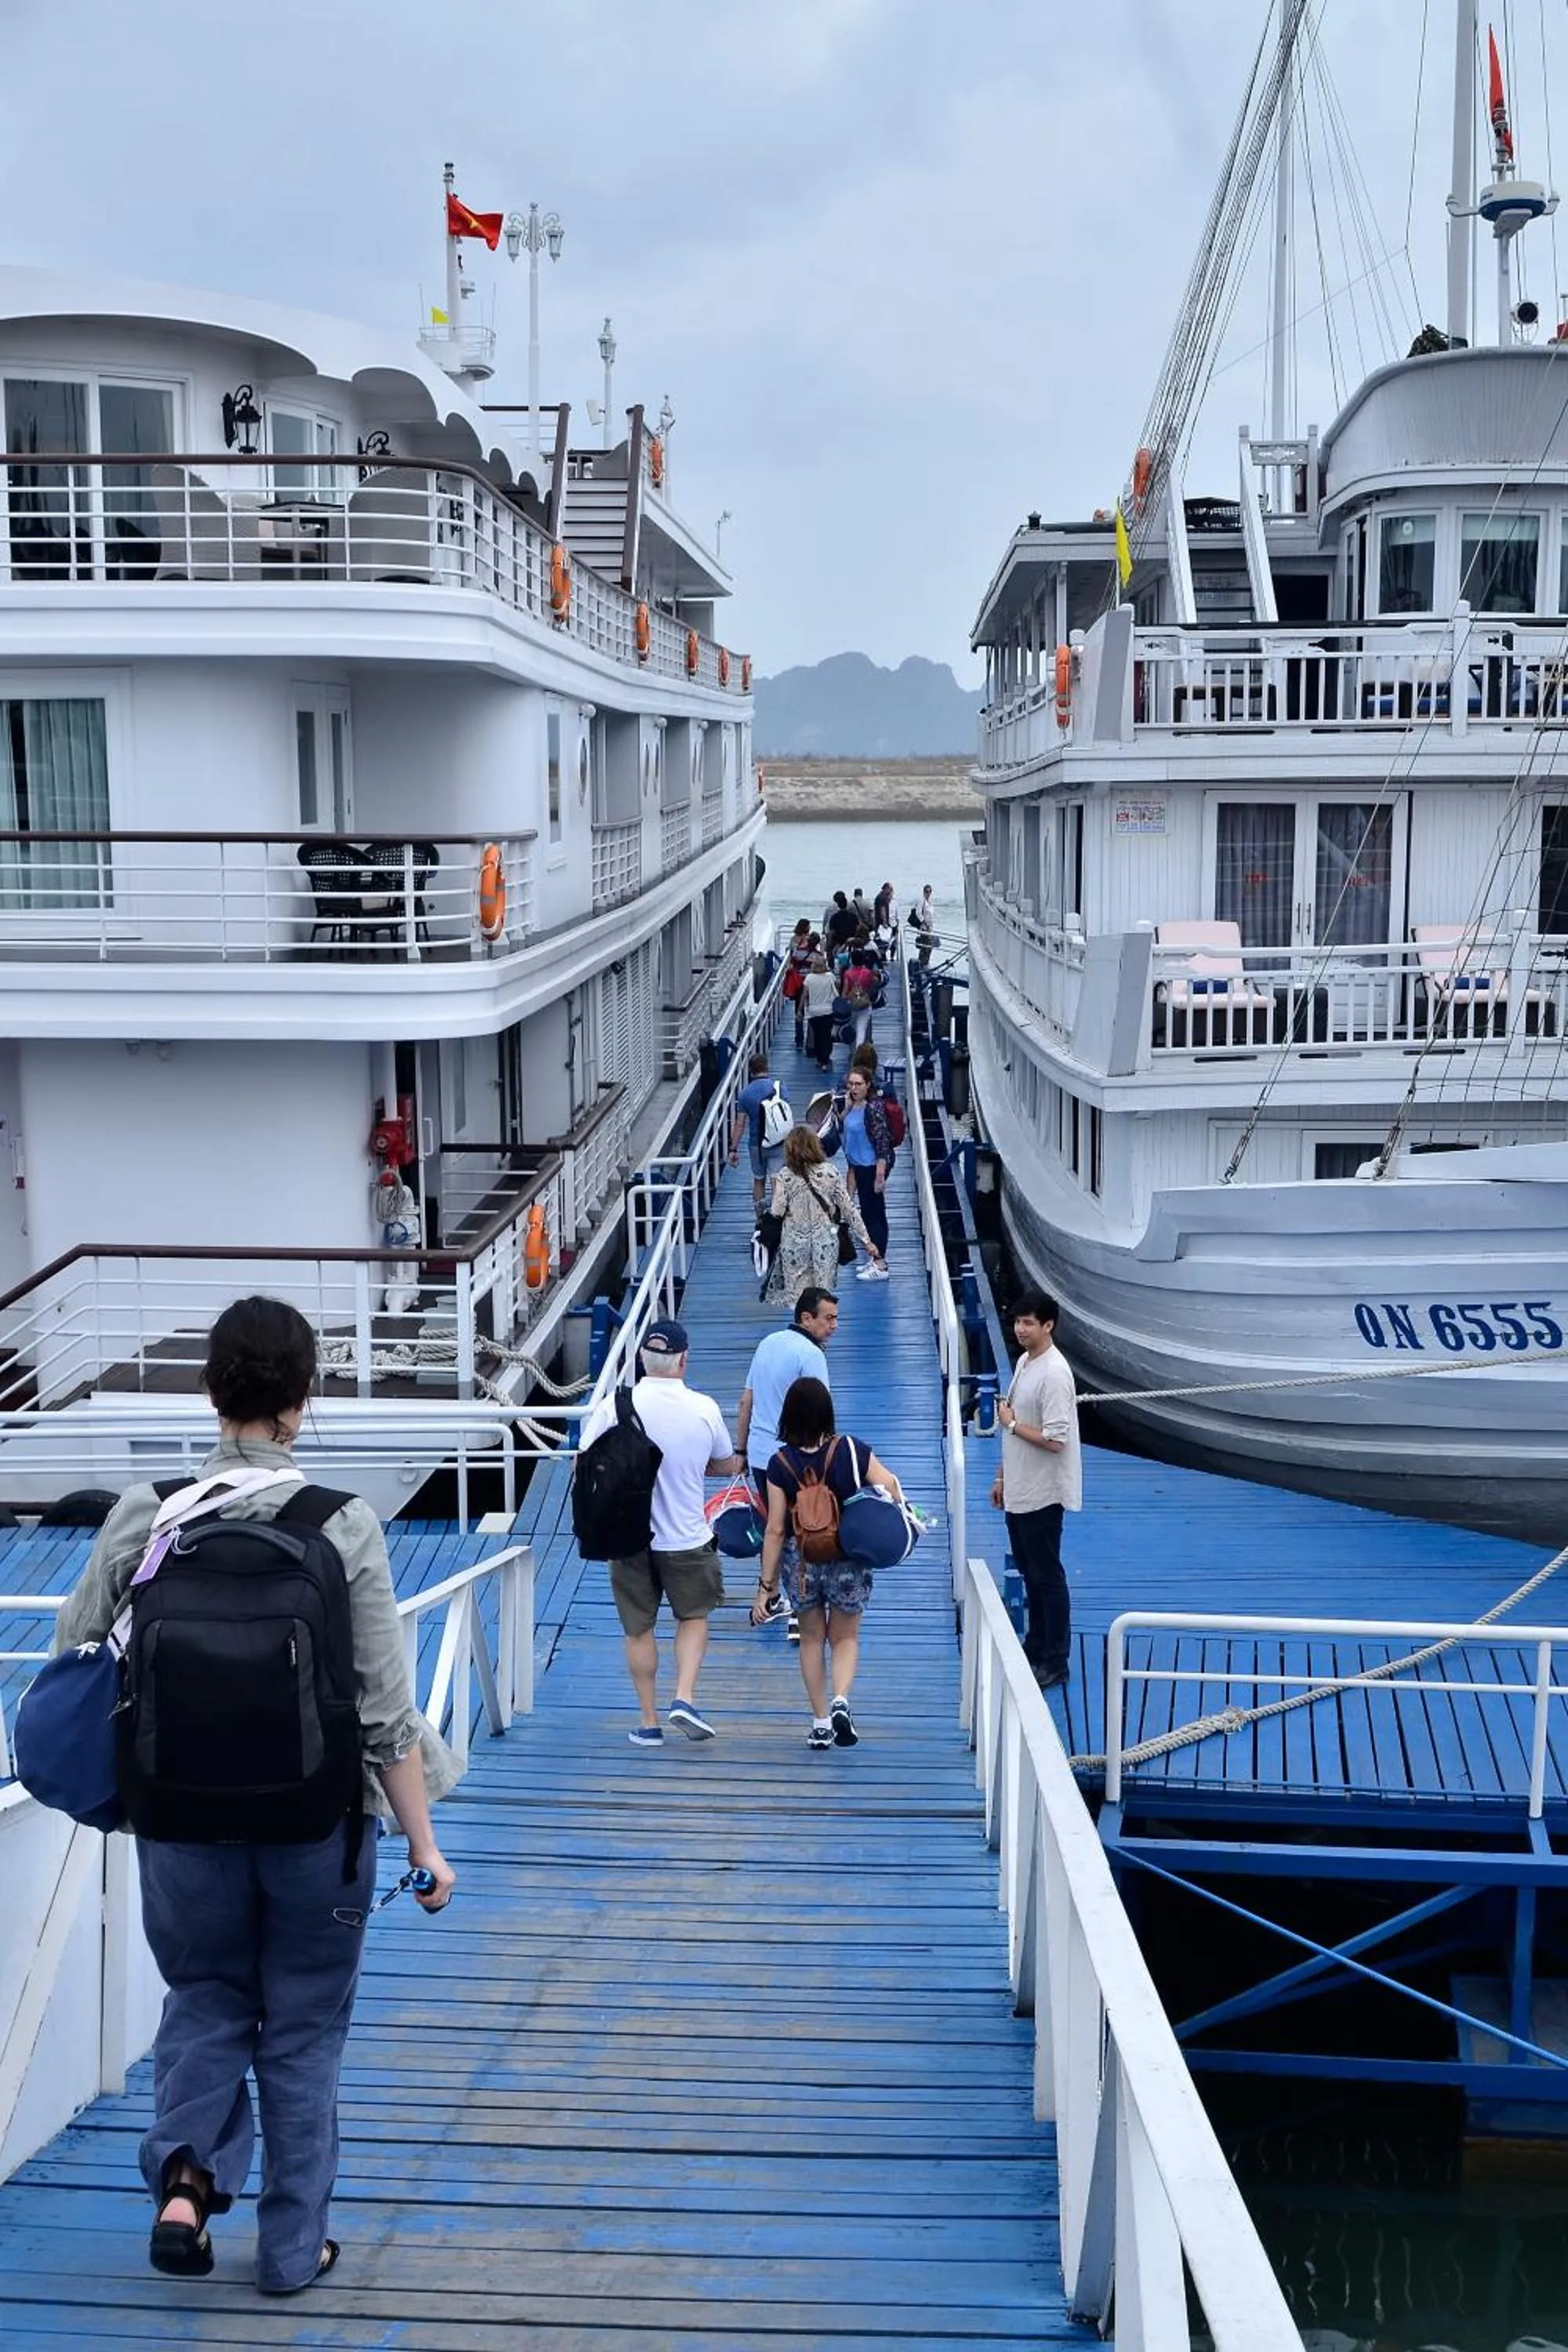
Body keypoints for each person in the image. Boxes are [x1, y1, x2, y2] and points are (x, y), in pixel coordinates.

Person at [52, 1295, 458, 2296]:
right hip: (317, 1823)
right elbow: (384, 1713)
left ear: (210, 1391)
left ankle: (186, 2180)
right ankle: (288, 2252)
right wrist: (424, 1844)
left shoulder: (148, 1512)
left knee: (206, 1996)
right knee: (307, 2027)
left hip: (182, 1821)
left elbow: (72, 1658)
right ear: (302, 1401)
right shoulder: (341, 1522)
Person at [579, 1317, 740, 1744]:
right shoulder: (703, 1408)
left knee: (638, 1629)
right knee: (693, 1616)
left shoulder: (617, 1405)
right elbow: (725, 1463)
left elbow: (584, 1455)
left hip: (628, 1537)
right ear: (684, 1360)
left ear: (642, 1361)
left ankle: (649, 1722)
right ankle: (684, 1697)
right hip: (687, 1537)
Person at [750, 1376, 906, 1748]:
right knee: (846, 1636)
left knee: (811, 1639)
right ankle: (841, 1700)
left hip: (800, 1562)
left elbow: (774, 1529)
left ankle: (820, 1723)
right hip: (847, 1558)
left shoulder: (779, 1463)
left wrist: (766, 1588)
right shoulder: (850, 1449)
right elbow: (892, 1486)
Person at [989, 1287, 1082, 1690]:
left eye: (1029, 1322)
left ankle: (1055, 1659)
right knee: (1030, 1571)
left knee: (1047, 1575)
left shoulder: (1055, 1374)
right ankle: (1036, 1643)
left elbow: (1056, 1439)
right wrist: (1002, 1477)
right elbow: (1016, 1419)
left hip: (1044, 1492)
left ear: (1049, 1325)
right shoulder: (1027, 1361)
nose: (1021, 1329)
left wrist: (1010, 1424)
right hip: (1021, 1487)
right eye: (1017, 1321)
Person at [736, 1289, 838, 1639]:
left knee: (772, 1527)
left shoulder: (767, 1343)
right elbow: (822, 1415)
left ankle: (770, 1596)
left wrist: (740, 1450)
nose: (834, 1326)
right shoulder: (811, 1355)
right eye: (828, 1318)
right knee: (804, 1529)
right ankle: (800, 1609)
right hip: (797, 1460)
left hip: (763, 1456)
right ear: (806, 1318)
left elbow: (746, 1401)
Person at [767, 1123, 881, 1300]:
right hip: (825, 1242)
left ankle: (803, 1324)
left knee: (799, 1299)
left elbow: (777, 1210)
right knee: (822, 1297)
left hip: (794, 1244)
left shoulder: (785, 1175)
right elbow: (849, 1209)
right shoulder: (830, 1172)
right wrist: (867, 1240)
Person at [841, 1065, 894, 1278]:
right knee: (867, 1213)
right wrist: (846, 1107)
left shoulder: (873, 1108)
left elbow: (882, 1142)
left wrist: (880, 1176)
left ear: (868, 1085)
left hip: (872, 1167)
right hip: (859, 1167)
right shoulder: (853, 1106)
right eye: (851, 1084)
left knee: (875, 1215)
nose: (854, 1088)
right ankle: (874, 1258)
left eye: (858, 1084)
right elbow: (843, 1127)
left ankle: (880, 1264)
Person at [728, 1051, 790, 1208]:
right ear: (767, 1067)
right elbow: (787, 1115)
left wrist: (733, 1149)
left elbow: (740, 1124)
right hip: (778, 1142)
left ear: (750, 1070)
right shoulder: (778, 1087)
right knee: (777, 1179)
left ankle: (760, 1219)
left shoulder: (744, 1094)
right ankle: (778, 1217)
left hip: (756, 1144)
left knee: (758, 1179)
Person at [801, 953, 839, 1071]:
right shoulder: (830, 976)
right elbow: (837, 986)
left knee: (817, 1036)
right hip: (828, 1011)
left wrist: (800, 1010)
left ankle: (819, 1059)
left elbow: (805, 995)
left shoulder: (809, 978)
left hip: (813, 1012)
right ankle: (825, 1061)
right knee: (826, 1036)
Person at [842, 938, 878, 1050]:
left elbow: (845, 992)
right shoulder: (868, 973)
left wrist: (845, 999)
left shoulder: (848, 973)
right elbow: (875, 984)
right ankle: (859, 1051)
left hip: (851, 1003)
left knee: (852, 1027)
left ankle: (852, 1049)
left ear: (852, 961)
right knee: (861, 1029)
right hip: (865, 1002)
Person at [912, 883, 939, 966]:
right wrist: (924, 922)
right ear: (924, 892)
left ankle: (926, 962)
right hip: (924, 927)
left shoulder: (930, 902)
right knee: (925, 946)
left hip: (930, 927)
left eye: (930, 891)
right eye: (927, 891)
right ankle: (922, 963)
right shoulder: (922, 901)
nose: (928, 893)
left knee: (929, 946)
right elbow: (918, 913)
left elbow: (931, 915)